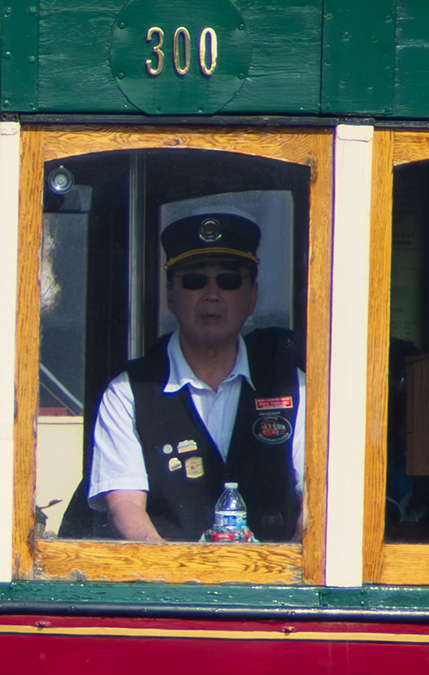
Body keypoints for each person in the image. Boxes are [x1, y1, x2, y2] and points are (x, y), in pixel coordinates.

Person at [86, 209, 304, 544]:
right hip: (166, 591)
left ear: (252, 298)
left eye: (229, 281)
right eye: (194, 280)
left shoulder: (294, 387)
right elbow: (125, 505)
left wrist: (285, 581)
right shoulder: (129, 392)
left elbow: (318, 501)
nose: (212, 294)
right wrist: (175, 581)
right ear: (171, 296)